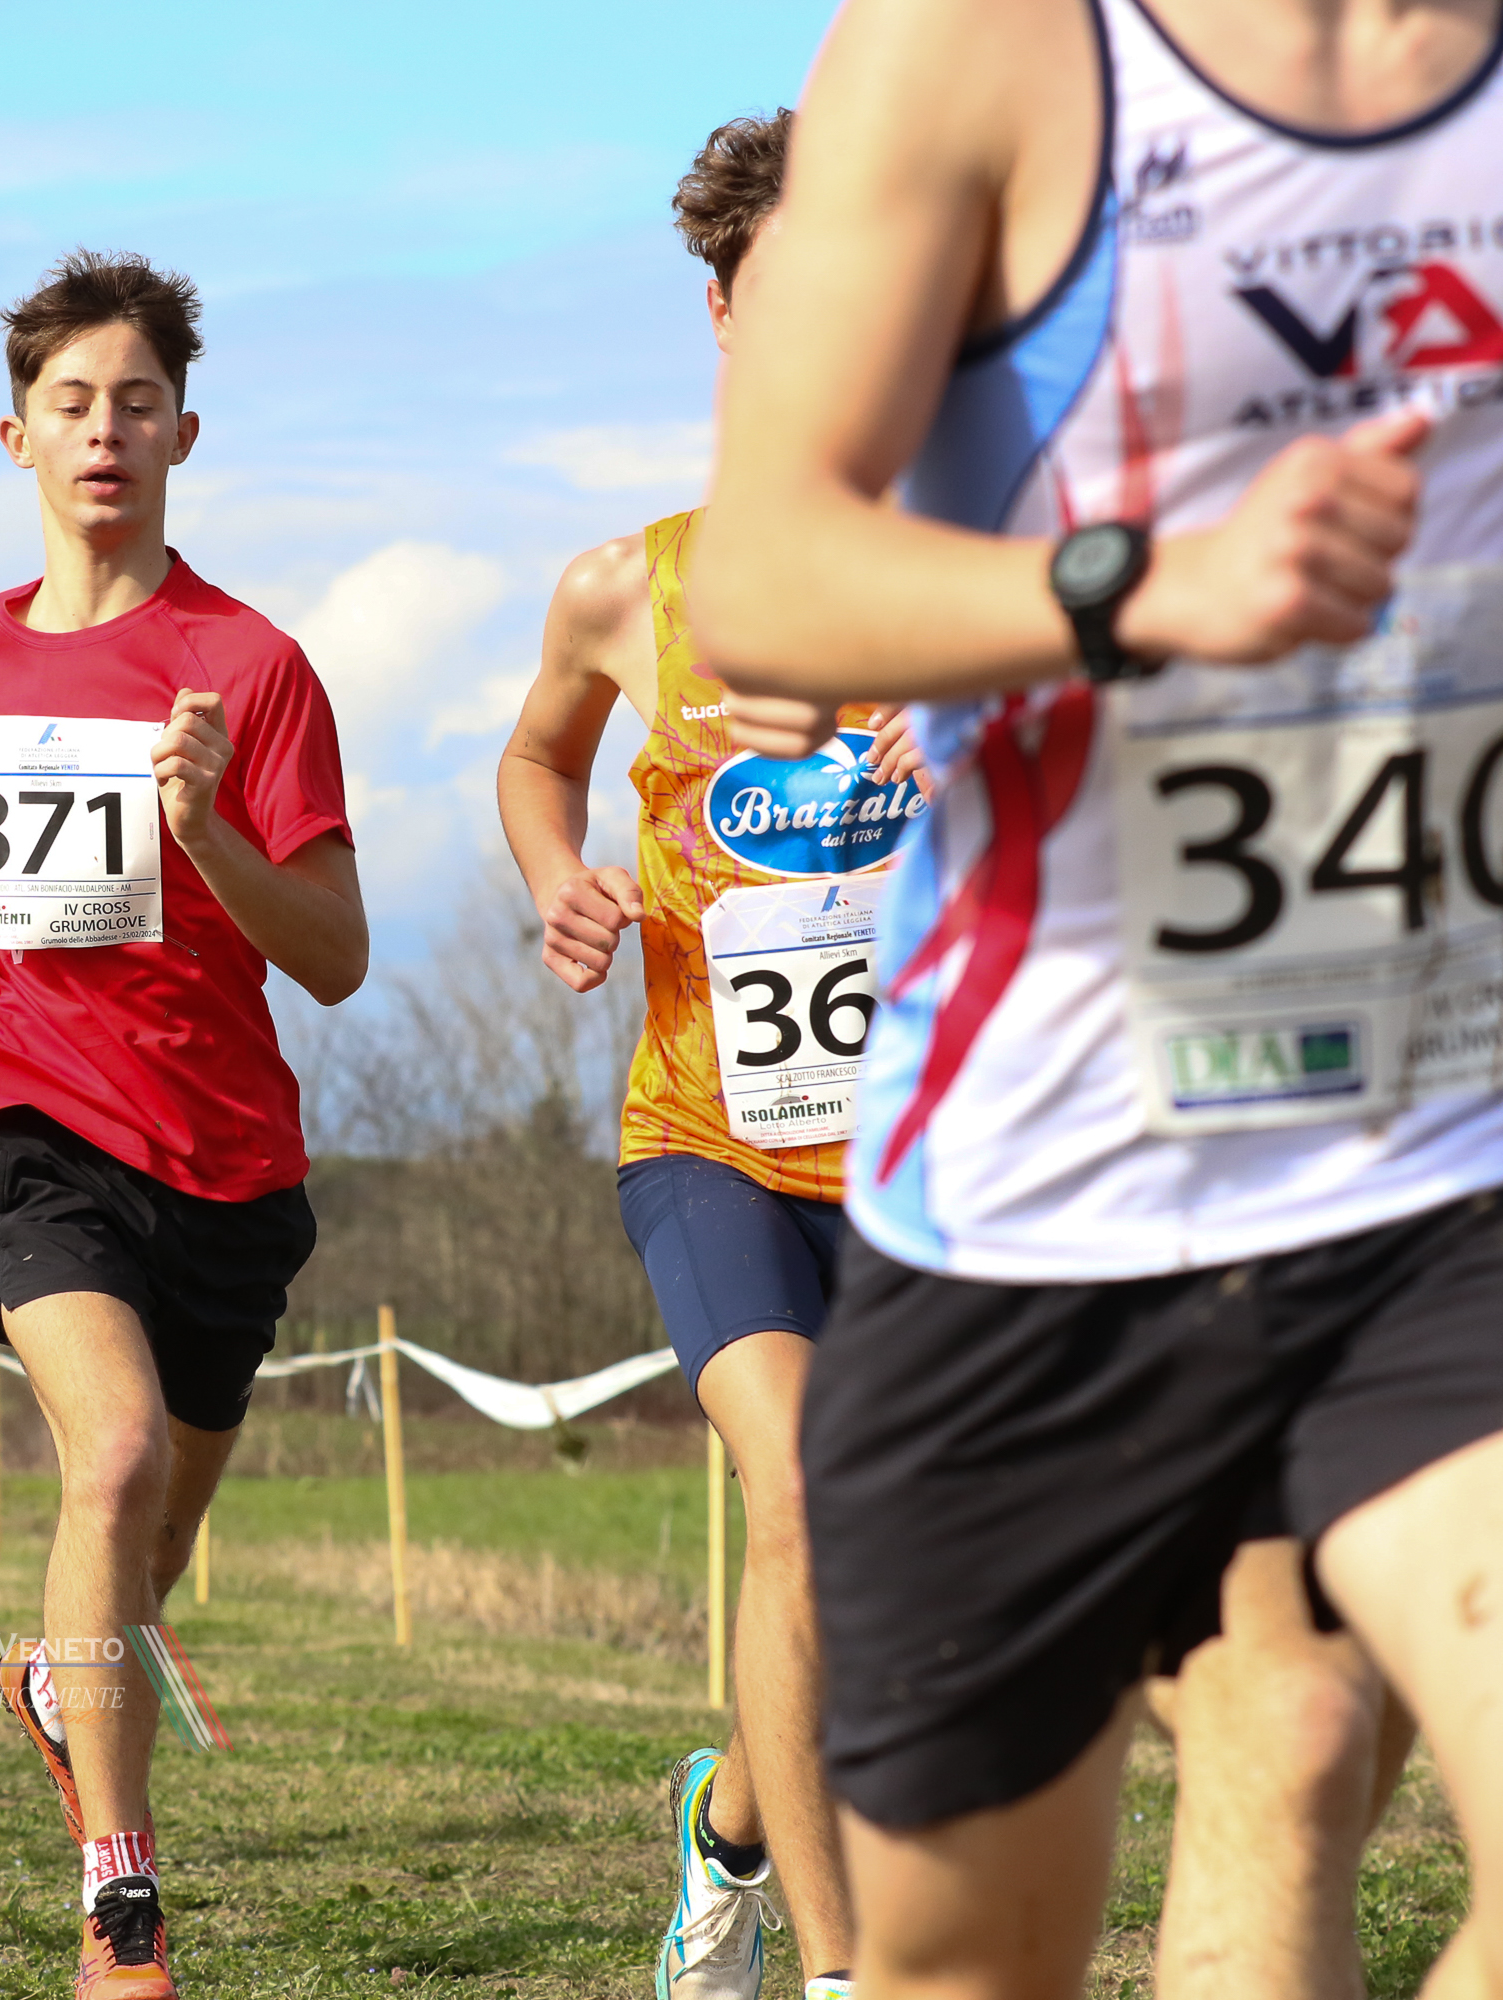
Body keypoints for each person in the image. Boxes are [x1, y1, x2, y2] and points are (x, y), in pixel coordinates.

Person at [687, 2, 1503, 1995]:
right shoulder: (990, 43)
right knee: (968, 1959)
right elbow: (763, 578)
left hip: (1439, 1155)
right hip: (1048, 1201)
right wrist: (1141, 590)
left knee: (1296, 1741)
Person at [0, 251, 364, 2000]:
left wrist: (211, 829)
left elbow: (336, 956)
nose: (104, 432)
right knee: (117, 1457)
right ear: (16, 437)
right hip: (24, 1117)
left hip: (222, 1154)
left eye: (136, 404)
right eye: (72, 404)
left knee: (143, 1557)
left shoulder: (252, 665)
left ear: (183, 435)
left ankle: (47, 1680)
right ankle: (121, 1898)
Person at [494, 114, 914, 2000]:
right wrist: (558, 875)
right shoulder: (629, 588)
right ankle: (844, 1971)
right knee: (801, 1499)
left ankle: (728, 1820)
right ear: (727, 311)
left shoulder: (977, 578)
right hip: (711, 1143)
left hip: (934, 1157)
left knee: (877, 1570)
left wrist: (980, 739)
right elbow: (537, 756)